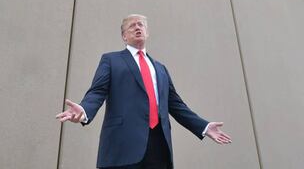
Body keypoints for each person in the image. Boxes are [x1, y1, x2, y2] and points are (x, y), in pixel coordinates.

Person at [56, 14, 231, 169]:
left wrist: (204, 127)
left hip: (158, 148)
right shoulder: (111, 60)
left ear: (147, 33)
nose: (137, 27)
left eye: (141, 25)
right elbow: (97, 91)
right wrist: (84, 110)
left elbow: (176, 105)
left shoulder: (160, 69)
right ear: (124, 36)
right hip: (123, 146)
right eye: (132, 25)